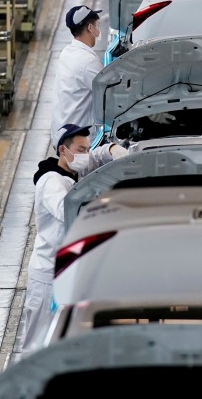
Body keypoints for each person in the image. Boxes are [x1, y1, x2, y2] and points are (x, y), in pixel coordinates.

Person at [21, 124, 127, 348]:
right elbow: (65, 209)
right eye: (80, 150)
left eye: (87, 149)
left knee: (61, 339)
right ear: (62, 150)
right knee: (37, 343)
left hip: (66, 270)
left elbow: (94, 158)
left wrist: (111, 150)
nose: (84, 155)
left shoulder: (72, 170)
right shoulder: (51, 181)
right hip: (48, 272)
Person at [50, 5, 103, 147]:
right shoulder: (88, 61)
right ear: (90, 28)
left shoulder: (67, 52)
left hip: (61, 133)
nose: (99, 29)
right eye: (97, 25)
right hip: (76, 141)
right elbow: (110, 95)